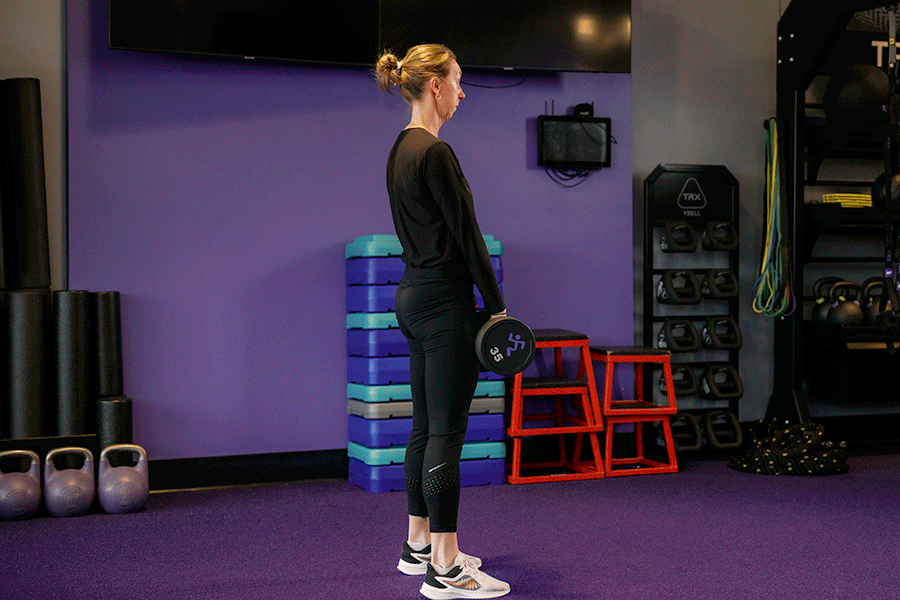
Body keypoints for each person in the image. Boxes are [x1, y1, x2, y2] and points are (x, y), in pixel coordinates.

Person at [374, 44, 511, 600]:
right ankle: (446, 568)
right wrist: (497, 306)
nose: (462, 91)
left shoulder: (398, 149)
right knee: (447, 435)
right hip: (444, 303)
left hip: (411, 297)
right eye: (458, 80)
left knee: (424, 426)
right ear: (435, 85)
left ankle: (418, 545)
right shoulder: (436, 151)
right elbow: (468, 236)